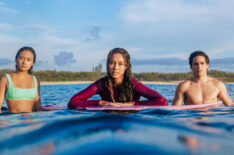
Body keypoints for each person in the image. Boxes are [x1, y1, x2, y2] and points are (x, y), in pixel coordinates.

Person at [68, 48, 168, 109]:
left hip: (131, 119)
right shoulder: (101, 84)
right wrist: (101, 103)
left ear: (126, 66)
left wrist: (130, 104)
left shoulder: (133, 84)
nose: (115, 67)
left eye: (120, 64)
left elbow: (163, 102)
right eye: (112, 63)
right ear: (107, 65)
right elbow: (72, 102)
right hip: (108, 120)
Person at [0, 46, 42, 113]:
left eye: (28, 60)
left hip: (33, 121)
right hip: (13, 122)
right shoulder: (5, 79)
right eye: (21, 58)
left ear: (32, 63)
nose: (24, 62)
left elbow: (38, 107)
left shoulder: (35, 80)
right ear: (16, 60)